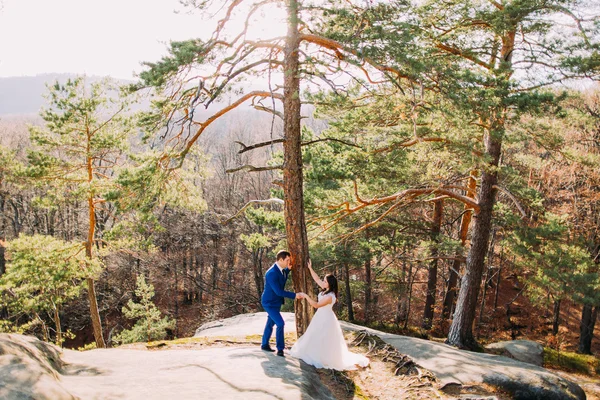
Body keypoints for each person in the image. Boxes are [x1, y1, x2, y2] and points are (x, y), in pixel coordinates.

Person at [290, 259, 369, 370]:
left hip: (326, 318)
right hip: (320, 317)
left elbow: (316, 305)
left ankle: (323, 357)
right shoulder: (325, 289)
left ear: (330, 284)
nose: (323, 282)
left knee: (324, 337)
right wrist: (310, 268)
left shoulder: (330, 296)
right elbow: (316, 279)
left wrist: (306, 296)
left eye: (325, 281)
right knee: (315, 335)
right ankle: (314, 352)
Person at [261, 250, 304, 357]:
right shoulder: (271, 273)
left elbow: (282, 277)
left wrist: (288, 270)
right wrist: (295, 295)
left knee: (270, 324)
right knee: (280, 323)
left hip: (277, 302)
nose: (289, 262)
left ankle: (264, 344)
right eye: (287, 260)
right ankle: (280, 349)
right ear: (280, 259)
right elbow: (278, 291)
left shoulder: (282, 270)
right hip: (269, 303)